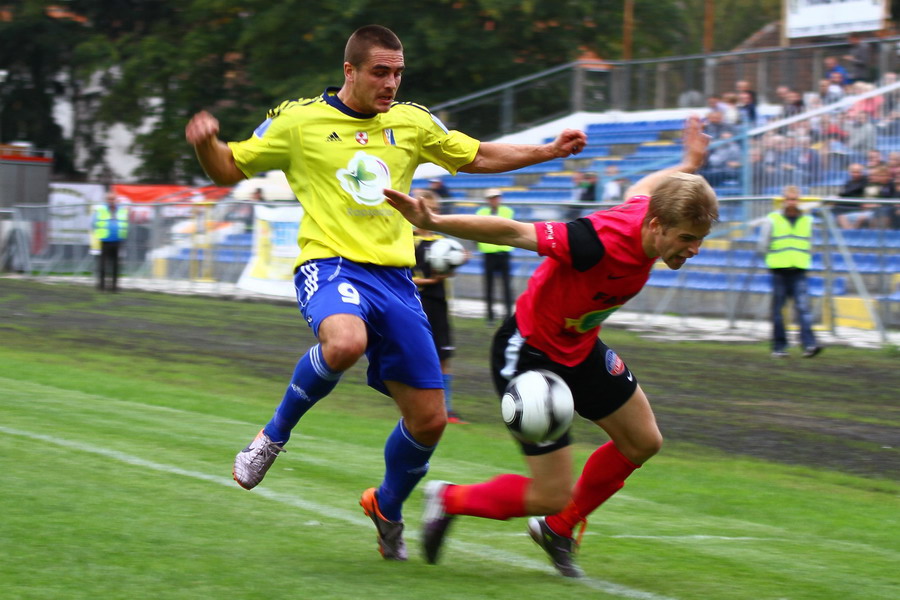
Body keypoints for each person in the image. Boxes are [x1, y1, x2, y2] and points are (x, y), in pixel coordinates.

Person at [184, 24, 586, 562]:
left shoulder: (413, 122)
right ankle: (271, 437)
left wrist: (548, 150)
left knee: (430, 419)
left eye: (397, 72)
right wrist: (208, 144)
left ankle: (387, 507)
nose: (391, 82)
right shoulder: (299, 120)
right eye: (380, 72)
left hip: (395, 280)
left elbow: (478, 157)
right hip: (330, 265)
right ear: (349, 71)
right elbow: (228, 169)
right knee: (344, 342)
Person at [383, 115, 716, 577]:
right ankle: (448, 498)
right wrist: (434, 221)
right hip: (530, 352)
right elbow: (513, 232)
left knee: (643, 441)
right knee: (551, 490)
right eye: (686, 240)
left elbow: (644, 184)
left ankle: (557, 529)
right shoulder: (594, 241)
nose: (693, 250)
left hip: (579, 344)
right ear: (657, 226)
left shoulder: (649, 212)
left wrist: (688, 164)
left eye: (699, 241)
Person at [411, 189, 468, 425]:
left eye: (435, 210)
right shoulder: (408, 240)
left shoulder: (443, 242)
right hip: (416, 305)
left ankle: (447, 409)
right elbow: (401, 276)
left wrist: (461, 259)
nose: (431, 214)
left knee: (443, 357)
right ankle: (418, 407)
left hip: (439, 304)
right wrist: (430, 281)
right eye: (427, 209)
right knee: (418, 357)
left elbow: (453, 264)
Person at [757, 186, 822, 358]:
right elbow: (763, 244)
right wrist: (772, 261)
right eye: (789, 198)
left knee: (803, 308)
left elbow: (811, 244)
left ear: (798, 201)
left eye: (794, 199)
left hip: (799, 269)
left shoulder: (807, 220)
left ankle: (809, 344)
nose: (792, 202)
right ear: (784, 200)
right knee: (779, 310)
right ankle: (779, 347)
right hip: (779, 270)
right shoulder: (773, 219)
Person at [476, 188, 515, 324]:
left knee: (506, 286)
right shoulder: (481, 212)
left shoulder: (507, 211)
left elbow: (501, 228)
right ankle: (490, 316)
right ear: (488, 200)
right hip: (489, 254)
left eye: (496, 197)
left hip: (503, 253)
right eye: (492, 197)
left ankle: (508, 315)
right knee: (489, 286)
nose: (494, 200)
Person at [92, 189, 129, 292]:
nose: (111, 200)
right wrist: (99, 234)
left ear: (116, 199)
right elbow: (94, 223)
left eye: (113, 199)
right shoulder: (101, 209)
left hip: (117, 240)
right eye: (109, 199)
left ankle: (114, 286)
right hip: (105, 240)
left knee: (115, 265)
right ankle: (102, 285)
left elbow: (125, 222)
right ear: (106, 200)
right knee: (103, 264)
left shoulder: (121, 210)